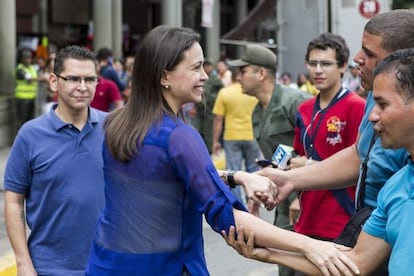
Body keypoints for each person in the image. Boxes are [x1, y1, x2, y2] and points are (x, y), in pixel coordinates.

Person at [85, 25, 358, 276]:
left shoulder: (114, 123)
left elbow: (171, 174)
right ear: (165, 76)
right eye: (196, 68)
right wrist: (310, 246)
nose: (205, 75)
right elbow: (227, 215)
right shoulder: (179, 136)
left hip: (105, 264)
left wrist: (239, 177)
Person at [224, 47, 414, 276]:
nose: (372, 116)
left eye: (382, 104)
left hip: (337, 215)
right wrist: (269, 253)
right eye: (312, 63)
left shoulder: (351, 106)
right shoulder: (395, 188)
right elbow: (356, 264)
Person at [4, 45, 106, 275]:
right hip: (47, 267)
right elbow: (13, 201)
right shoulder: (30, 135)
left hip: (106, 265)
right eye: (72, 79)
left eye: (90, 79)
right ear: (53, 82)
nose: (82, 87)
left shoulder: (113, 129)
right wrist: (23, 263)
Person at [227, 43, 310, 276]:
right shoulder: (257, 111)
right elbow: (278, 157)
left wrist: (302, 195)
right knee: (286, 263)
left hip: (307, 196)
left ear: (261, 73)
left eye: (243, 71)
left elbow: (317, 151)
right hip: (284, 196)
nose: (238, 77)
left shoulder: (295, 102)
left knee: (306, 261)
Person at [288, 33, 366, 243]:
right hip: (307, 217)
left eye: (326, 64)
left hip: (341, 219)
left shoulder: (357, 107)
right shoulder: (303, 109)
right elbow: (299, 159)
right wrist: (297, 198)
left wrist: (310, 164)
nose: (318, 70)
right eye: (313, 64)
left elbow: (359, 165)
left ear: (342, 67)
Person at [212, 66, 262, 210]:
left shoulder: (225, 92)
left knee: (233, 174)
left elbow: (218, 119)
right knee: (253, 171)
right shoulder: (252, 93)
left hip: (231, 136)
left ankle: (238, 209)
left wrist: (215, 141)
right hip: (252, 135)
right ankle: (254, 205)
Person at [192, 60, 223, 153]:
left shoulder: (215, 78)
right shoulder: (199, 77)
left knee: (209, 132)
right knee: (197, 131)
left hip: (210, 109)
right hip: (200, 109)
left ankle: (209, 152)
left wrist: (213, 98)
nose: (206, 68)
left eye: (208, 66)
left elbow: (221, 91)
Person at [15, 49, 39, 129]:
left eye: (29, 58)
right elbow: (28, 78)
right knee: (22, 121)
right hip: (22, 99)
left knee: (31, 121)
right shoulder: (20, 69)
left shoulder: (32, 68)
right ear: (22, 59)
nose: (28, 59)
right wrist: (43, 79)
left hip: (32, 98)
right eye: (26, 58)